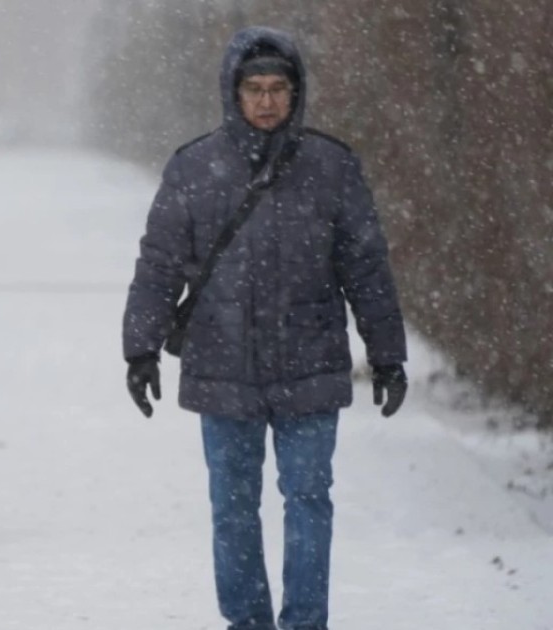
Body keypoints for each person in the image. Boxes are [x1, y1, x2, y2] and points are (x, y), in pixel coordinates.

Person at [122, 27, 408, 630]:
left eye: (279, 88)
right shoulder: (194, 167)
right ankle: (246, 621)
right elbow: (159, 263)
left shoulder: (331, 167)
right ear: (233, 92)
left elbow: (365, 266)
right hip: (221, 363)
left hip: (310, 361)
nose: (267, 101)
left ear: (296, 93)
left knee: (308, 502)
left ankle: (305, 622)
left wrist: (387, 354)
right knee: (232, 508)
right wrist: (140, 348)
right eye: (254, 88)